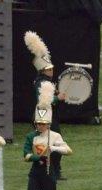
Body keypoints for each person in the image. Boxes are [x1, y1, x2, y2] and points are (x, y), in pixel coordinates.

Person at [15, 81, 71, 190]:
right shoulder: (30, 137)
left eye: (43, 124)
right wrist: (37, 157)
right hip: (35, 173)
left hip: (49, 173)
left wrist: (53, 148)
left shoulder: (55, 136)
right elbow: (26, 155)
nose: (40, 126)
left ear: (48, 124)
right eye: (38, 123)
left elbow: (68, 150)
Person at [24, 31, 68, 181]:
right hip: (44, 117)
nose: (52, 71)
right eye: (49, 69)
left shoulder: (45, 81)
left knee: (52, 143)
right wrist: (57, 98)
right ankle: (51, 171)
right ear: (43, 70)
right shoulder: (41, 82)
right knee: (49, 144)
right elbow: (43, 100)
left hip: (50, 116)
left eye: (51, 68)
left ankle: (54, 170)